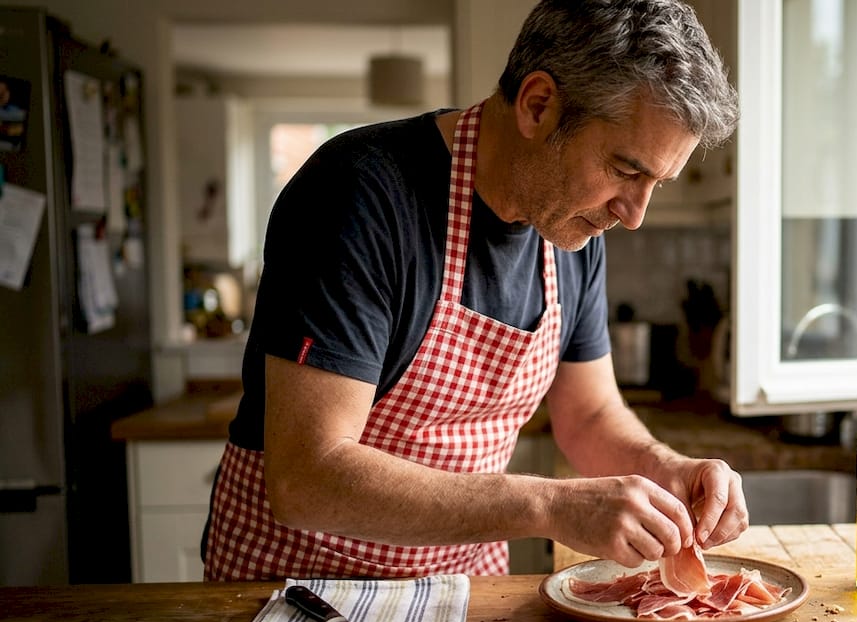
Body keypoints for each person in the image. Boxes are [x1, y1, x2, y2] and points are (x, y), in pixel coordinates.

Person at [202, 0, 744, 581]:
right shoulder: (359, 197)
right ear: (538, 106)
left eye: (656, 184)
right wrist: (549, 505)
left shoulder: (573, 229)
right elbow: (308, 478)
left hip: (462, 588)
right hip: (295, 593)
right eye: (624, 169)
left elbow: (588, 416)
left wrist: (668, 469)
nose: (634, 214)